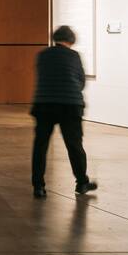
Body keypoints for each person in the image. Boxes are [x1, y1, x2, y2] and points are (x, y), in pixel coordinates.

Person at [30, 25, 97, 198]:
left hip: (44, 104)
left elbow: (41, 76)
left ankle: (38, 186)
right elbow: (81, 81)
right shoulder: (74, 56)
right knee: (74, 145)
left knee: (40, 146)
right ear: (71, 40)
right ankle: (82, 183)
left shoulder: (42, 55)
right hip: (70, 105)